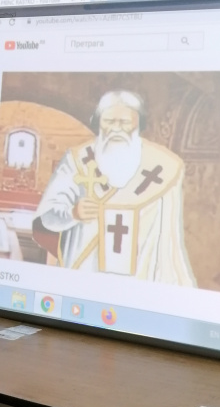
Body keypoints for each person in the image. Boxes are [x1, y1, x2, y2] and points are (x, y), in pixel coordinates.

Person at [34, 89, 196, 285]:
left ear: (139, 123)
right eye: (109, 121)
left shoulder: (165, 166)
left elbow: (169, 238)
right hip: (84, 276)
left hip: (139, 280)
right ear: (98, 122)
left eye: (125, 122)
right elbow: (48, 215)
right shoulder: (76, 160)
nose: (116, 129)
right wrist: (73, 213)